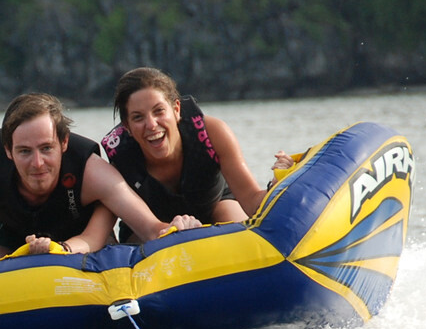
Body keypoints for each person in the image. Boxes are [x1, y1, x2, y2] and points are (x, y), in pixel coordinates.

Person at [0, 93, 199, 264]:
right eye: (24, 151)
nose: (37, 163)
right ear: (8, 151)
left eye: (46, 148)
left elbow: (152, 228)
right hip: (10, 234)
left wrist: (179, 226)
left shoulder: (94, 174)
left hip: (81, 239)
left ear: (64, 143)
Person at [102, 67, 289, 240]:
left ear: (176, 110)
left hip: (214, 206)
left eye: (159, 111)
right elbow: (127, 233)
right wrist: (171, 230)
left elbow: (252, 201)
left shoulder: (212, 133)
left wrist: (281, 182)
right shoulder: (119, 165)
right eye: (138, 117)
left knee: (239, 229)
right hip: (150, 229)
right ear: (126, 126)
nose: (151, 124)